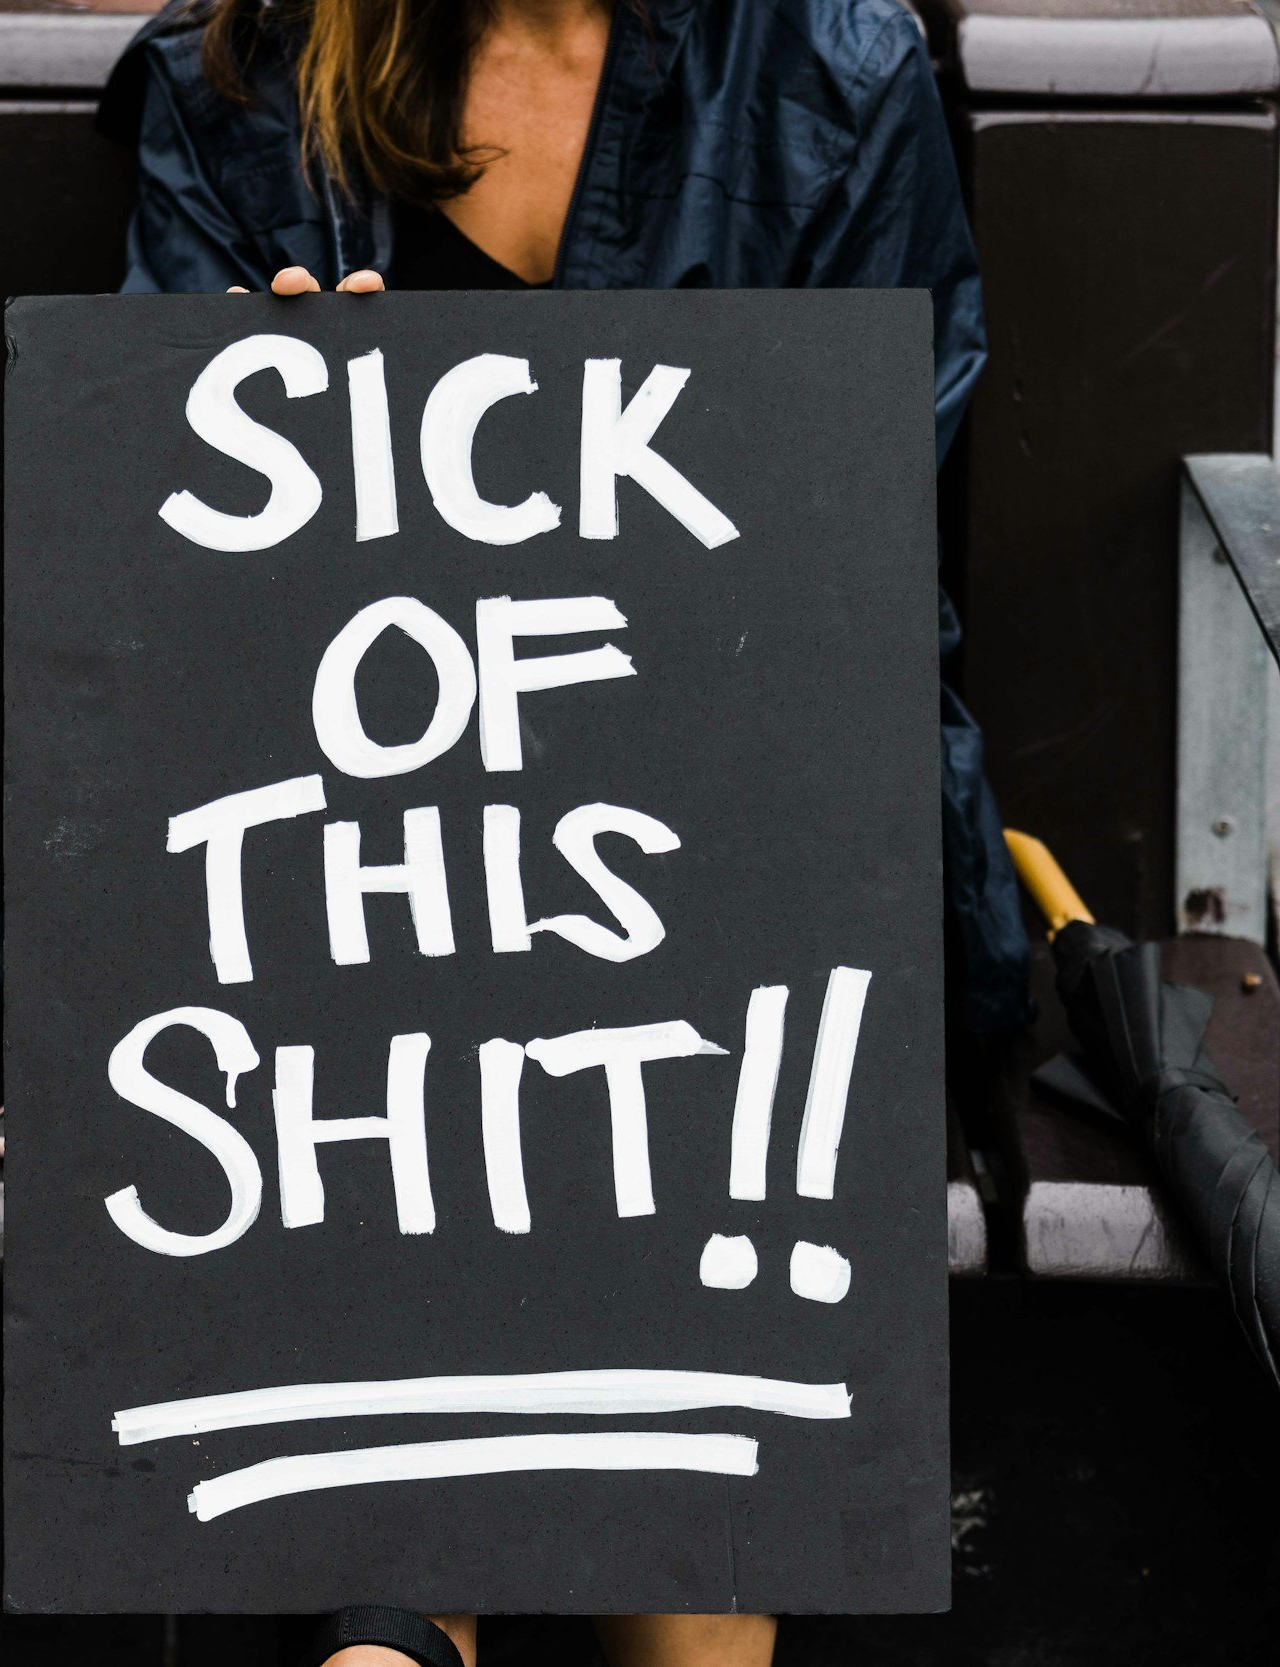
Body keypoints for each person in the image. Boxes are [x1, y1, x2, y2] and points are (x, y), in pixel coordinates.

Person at [101, 0, 1010, 1663]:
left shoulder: (836, 72)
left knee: (606, 1033)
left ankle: (396, 1629)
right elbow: (163, 620)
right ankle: (410, 1622)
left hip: (745, 868)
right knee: (432, 979)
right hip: (369, 875)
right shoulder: (235, 81)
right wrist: (265, 479)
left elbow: (850, 562)